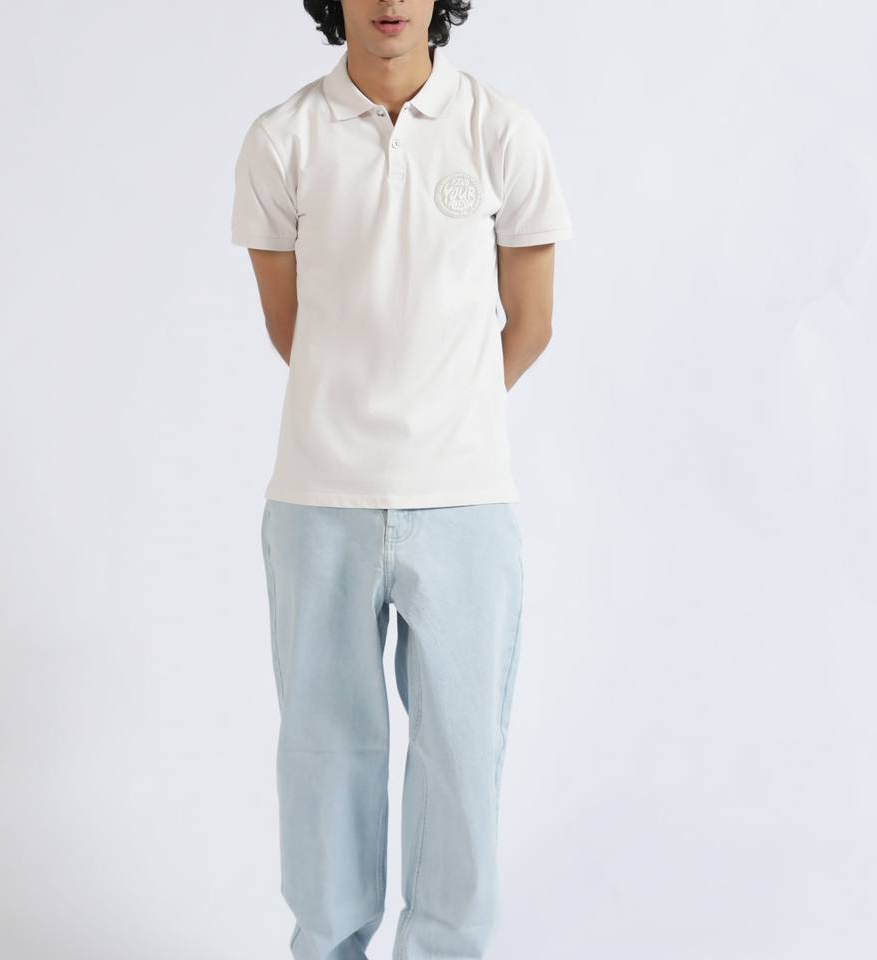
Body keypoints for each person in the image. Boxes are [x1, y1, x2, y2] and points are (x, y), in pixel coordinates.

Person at [230, 2, 573, 957]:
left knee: (461, 761)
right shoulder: (283, 139)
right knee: (324, 758)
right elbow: (292, 328)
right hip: (318, 498)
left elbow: (532, 322)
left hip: (465, 501)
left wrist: (446, 412)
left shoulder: (501, 130)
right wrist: (366, 407)